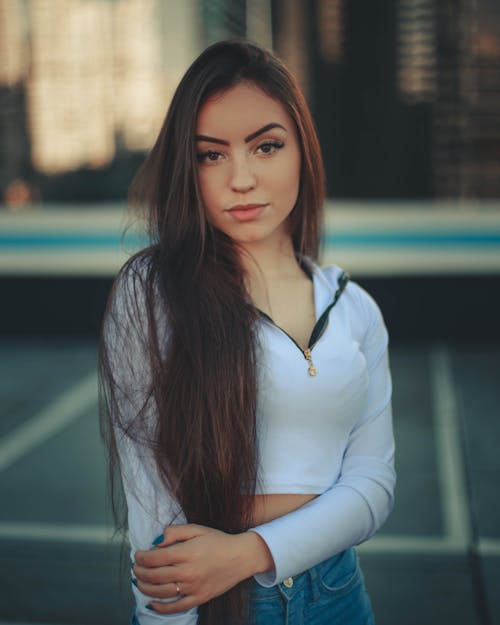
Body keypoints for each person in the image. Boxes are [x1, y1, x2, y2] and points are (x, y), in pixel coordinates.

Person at [99, 39, 396, 625]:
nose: (241, 178)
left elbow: (374, 484)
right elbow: (149, 505)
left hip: (339, 594)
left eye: (266, 146)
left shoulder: (356, 307)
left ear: (301, 151)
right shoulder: (152, 292)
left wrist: (250, 553)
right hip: (216, 604)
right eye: (211, 155)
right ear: (188, 170)